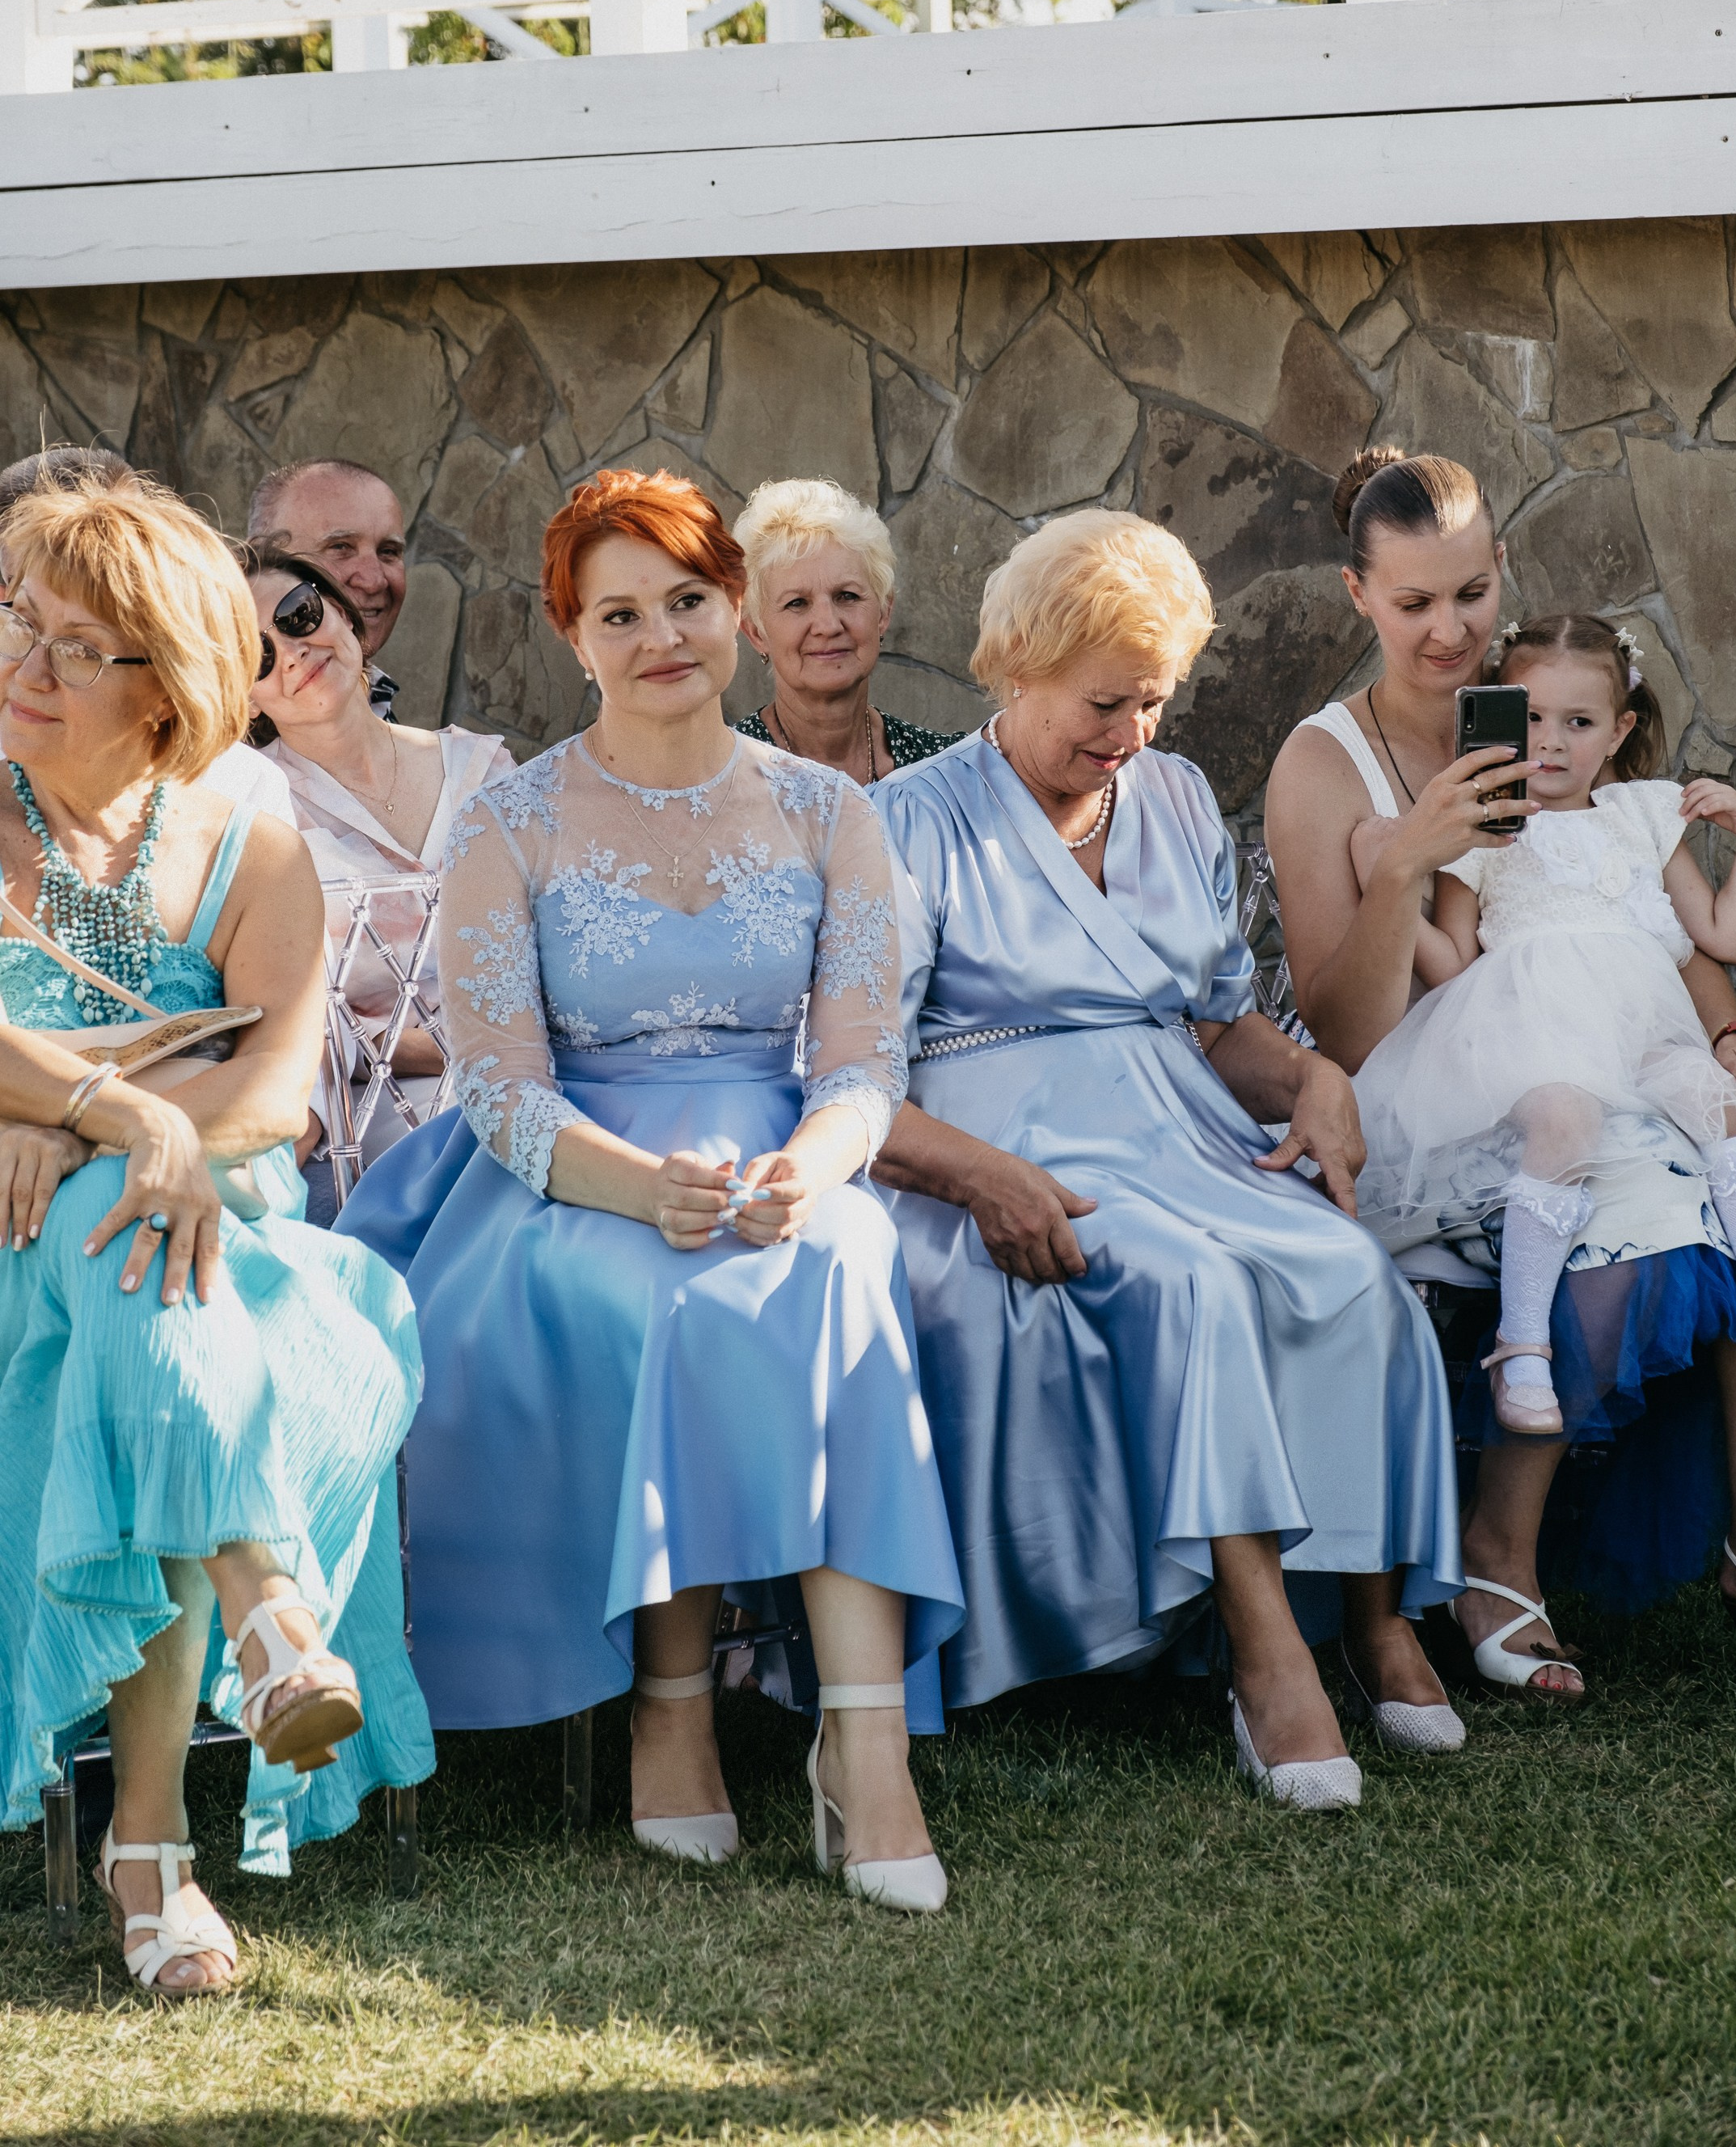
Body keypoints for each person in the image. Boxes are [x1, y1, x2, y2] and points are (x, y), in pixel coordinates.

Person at [336, 467, 961, 1911]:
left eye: (686, 600)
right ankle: (667, 1704)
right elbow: (496, 1082)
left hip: (782, 1159)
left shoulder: (826, 814)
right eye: (619, 613)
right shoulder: (515, 822)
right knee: (666, 1300)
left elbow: (866, 1061)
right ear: (572, 636)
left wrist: (809, 1168)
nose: (661, 635)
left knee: (843, 1271)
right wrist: (636, 1189)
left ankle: (866, 1754)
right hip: (563, 1180)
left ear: (731, 605)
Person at [870, 509, 1464, 1812]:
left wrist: (1310, 1077)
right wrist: (980, 1178)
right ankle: (1265, 1659)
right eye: (1101, 702)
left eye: (1150, 701)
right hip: (1001, 1150)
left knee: (1348, 1269)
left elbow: (1220, 1027)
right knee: (1186, 1286)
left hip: (1184, 1135)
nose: (1127, 735)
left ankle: (1371, 1625)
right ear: (1013, 665)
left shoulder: (1178, 794)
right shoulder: (900, 823)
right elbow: (857, 1084)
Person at [1265, 448, 1736, 1699]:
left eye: (1468, 594)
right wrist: (1408, 862)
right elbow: (1344, 1034)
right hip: (1438, 1106)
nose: (1447, 631)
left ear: (1500, 573)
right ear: (1357, 595)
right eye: (1411, 604)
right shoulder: (1324, 767)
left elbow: (1634, 927)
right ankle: (1492, 1554)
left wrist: (1731, 1043)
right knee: (1615, 1209)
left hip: (1611, 1055)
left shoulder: (1547, 705)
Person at [0, 476, 431, 1997]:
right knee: (130, 1253)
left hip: (217, 1232)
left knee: (136, 1276)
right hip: (40, 1227)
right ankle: (256, 1638)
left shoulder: (251, 831)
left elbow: (270, 1094)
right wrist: (136, 1113)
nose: (19, 670)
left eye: (70, 648)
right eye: (12, 621)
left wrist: (93, 1121)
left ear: (168, 689)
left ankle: (153, 1844)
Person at [1353, 609, 1736, 1439]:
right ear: (1499, 715)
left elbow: (1721, 935)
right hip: (1530, 1032)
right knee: (1564, 1121)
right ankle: (1522, 1345)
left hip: (1645, 1033)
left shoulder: (1640, 816)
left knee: (1720, 1105)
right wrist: (1389, 877)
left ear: (1615, 732)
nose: (1549, 741)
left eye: (1575, 723)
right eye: (1530, 717)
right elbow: (1455, 963)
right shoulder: (1483, 830)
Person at [239, 544, 511, 1211]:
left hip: (530, 1081)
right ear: (235, 693)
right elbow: (292, 1030)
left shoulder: (485, 769)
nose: (294, 652)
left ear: (340, 611)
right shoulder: (253, 807)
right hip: (370, 1121)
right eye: (256, 655)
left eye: (298, 615)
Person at [0, 446, 294, 828]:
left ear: (169, 690)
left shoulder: (243, 806)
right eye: (22, 620)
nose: (29, 675)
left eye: (80, 652)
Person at [730, 478, 957, 781]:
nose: (828, 626)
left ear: (884, 613)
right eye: (797, 603)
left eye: (847, 596)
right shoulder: (722, 780)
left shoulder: (942, 769)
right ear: (756, 633)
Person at [247, 459, 408, 712]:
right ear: (263, 557)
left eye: (388, 552)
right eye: (340, 547)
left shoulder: (375, 703)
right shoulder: (226, 745)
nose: (374, 581)